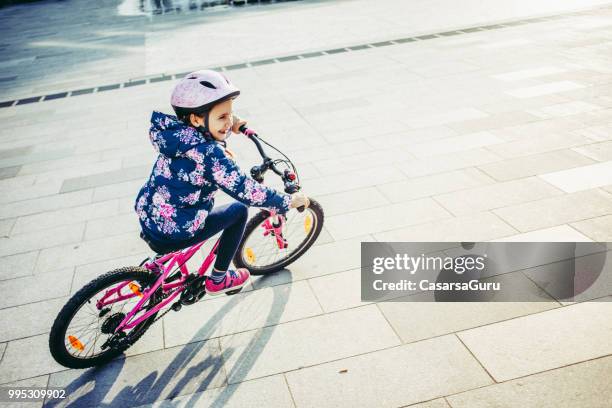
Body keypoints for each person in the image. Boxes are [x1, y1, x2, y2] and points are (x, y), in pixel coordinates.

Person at [134, 70, 309, 295]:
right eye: (221, 117)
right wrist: (287, 201)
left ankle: (156, 265)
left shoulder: (174, 134)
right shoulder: (209, 155)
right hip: (175, 230)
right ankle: (219, 279)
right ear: (196, 118)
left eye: (230, 114)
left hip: (149, 215)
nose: (227, 122)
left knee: (173, 201)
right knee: (238, 211)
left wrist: (232, 123)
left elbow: (205, 138)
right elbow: (247, 191)